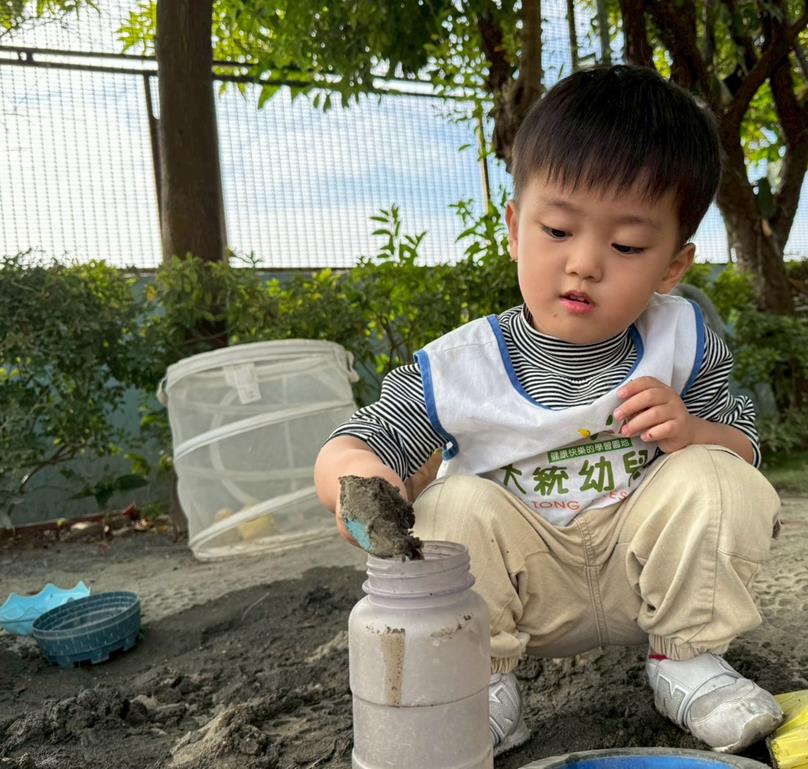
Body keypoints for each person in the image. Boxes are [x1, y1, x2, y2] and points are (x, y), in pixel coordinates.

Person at [314, 64, 782, 756]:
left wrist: (692, 431)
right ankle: (481, 685)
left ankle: (687, 664)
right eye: (559, 230)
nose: (585, 262)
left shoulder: (681, 341)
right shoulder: (460, 367)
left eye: (626, 246)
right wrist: (365, 487)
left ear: (671, 267)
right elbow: (359, 440)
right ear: (514, 228)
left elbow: (744, 449)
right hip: (521, 587)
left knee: (717, 473)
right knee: (449, 504)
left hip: (641, 572)